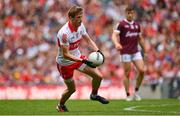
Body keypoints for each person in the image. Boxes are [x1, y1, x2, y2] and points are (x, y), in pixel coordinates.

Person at [56, 6, 109, 112]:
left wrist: (98, 51)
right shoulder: (64, 33)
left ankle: (94, 95)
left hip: (78, 58)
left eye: (81, 17)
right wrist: (83, 60)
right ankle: (60, 105)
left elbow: (89, 41)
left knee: (98, 76)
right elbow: (66, 54)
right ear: (70, 18)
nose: (80, 20)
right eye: (78, 17)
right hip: (65, 64)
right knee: (72, 89)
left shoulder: (81, 26)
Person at [112, 5, 146, 101]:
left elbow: (140, 39)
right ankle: (127, 95)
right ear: (125, 13)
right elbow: (114, 35)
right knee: (127, 73)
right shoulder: (121, 24)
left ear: (134, 14)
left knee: (142, 70)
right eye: (128, 13)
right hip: (125, 52)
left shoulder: (137, 25)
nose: (130, 14)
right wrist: (116, 43)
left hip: (135, 51)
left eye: (132, 13)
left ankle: (136, 91)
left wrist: (145, 51)